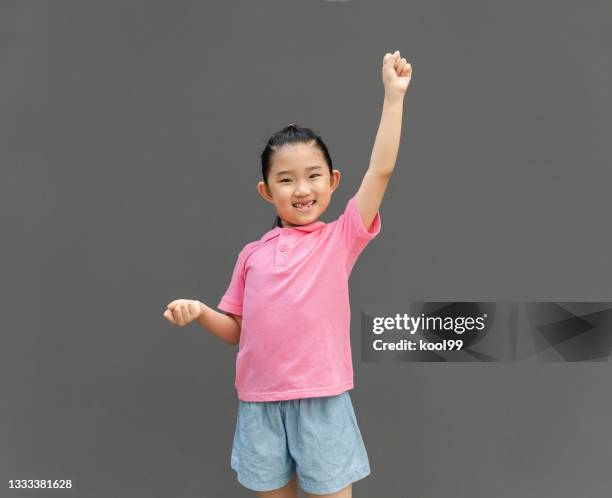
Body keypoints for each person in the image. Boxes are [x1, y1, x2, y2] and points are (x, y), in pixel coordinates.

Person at [163, 50, 412, 498]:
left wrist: (393, 98)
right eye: (286, 179)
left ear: (333, 181)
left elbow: (381, 171)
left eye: (313, 176)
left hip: (322, 402)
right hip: (260, 406)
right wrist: (200, 311)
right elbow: (236, 331)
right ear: (266, 190)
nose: (302, 189)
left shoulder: (340, 239)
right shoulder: (252, 256)